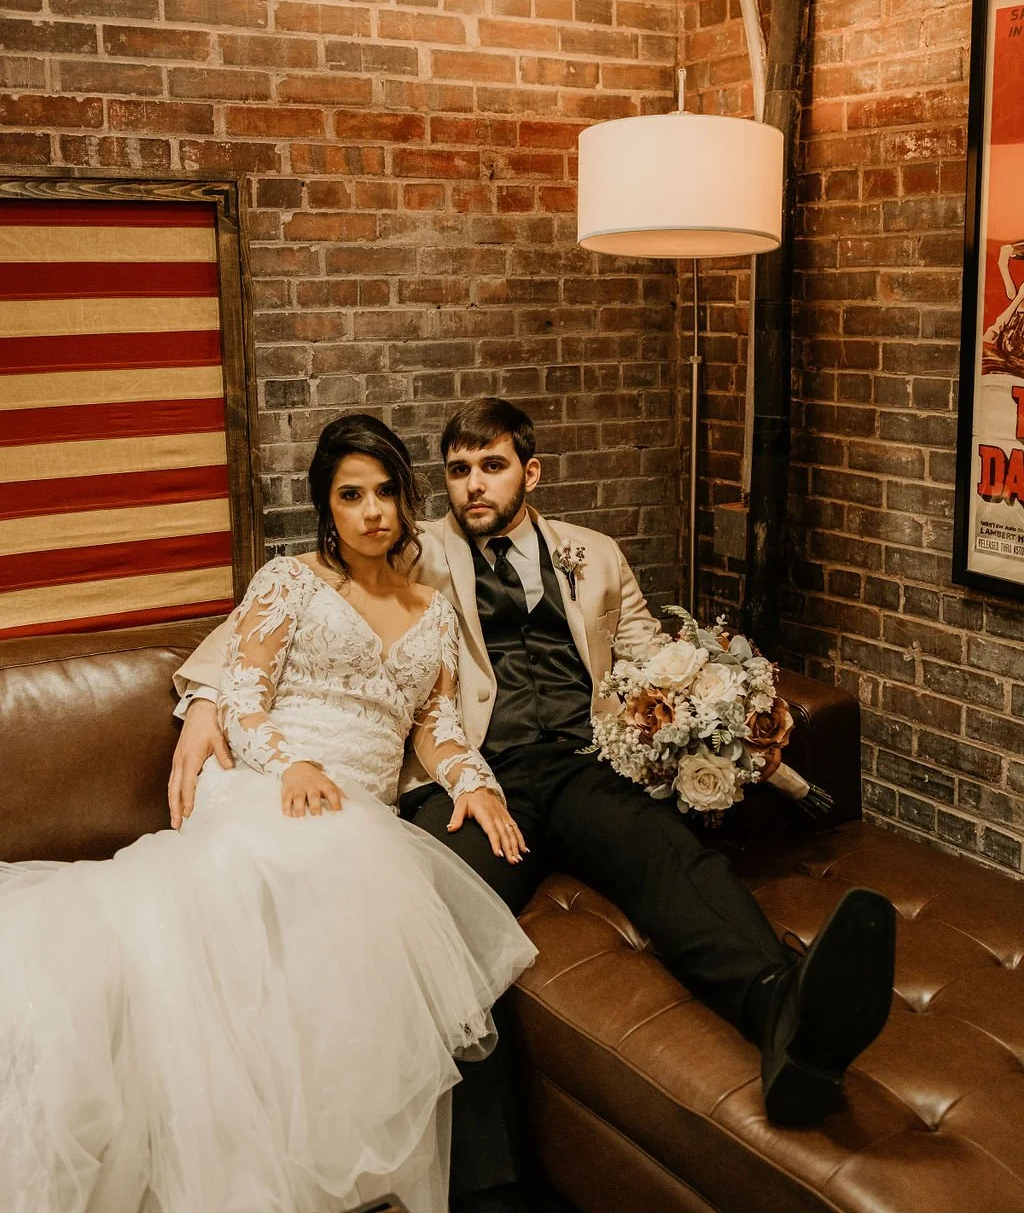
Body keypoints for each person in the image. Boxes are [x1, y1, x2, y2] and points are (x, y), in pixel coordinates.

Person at [173, 399, 897, 1213]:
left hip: (581, 763)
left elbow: (650, 656)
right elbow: (274, 614)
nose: (472, 487)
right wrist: (204, 702)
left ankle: (785, 1017)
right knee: (431, 916)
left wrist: (732, 707)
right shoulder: (415, 547)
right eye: (457, 470)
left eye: (492, 467)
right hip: (478, 773)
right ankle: (487, 1183)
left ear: (532, 471)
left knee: (668, 858)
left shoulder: (595, 554)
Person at [0, 415, 536, 1213]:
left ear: (407, 496)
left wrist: (474, 782)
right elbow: (243, 704)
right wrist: (292, 764)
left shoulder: (432, 609)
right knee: (295, 883)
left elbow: (436, 725)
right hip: (270, 781)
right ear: (326, 504)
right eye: (351, 495)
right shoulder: (288, 581)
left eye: (387, 491)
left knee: (363, 879)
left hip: (361, 805)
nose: (372, 511)